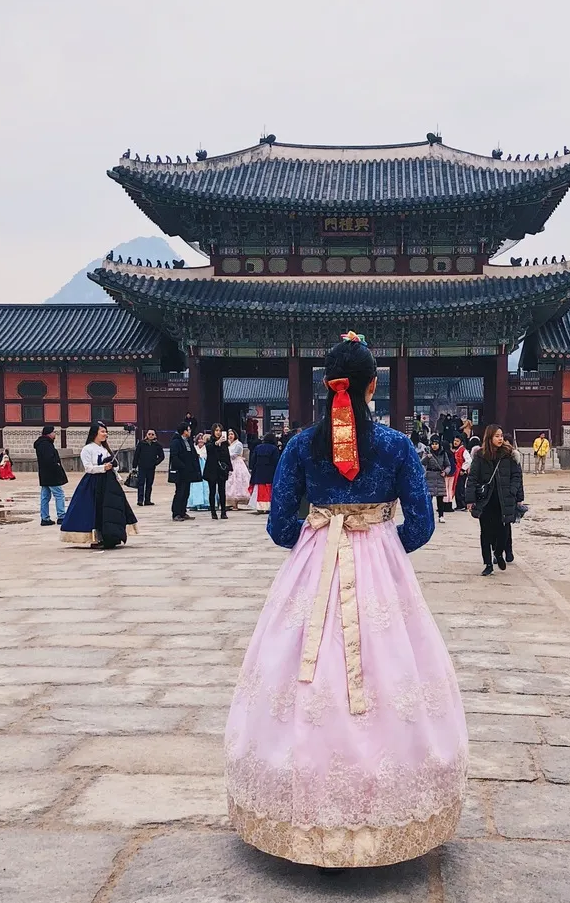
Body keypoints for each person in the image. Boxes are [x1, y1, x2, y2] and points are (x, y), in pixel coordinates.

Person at [224, 331, 467, 869]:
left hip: (315, 567)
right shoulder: (398, 445)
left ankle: (298, 805)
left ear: (325, 388)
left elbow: (280, 527)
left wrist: (319, 538)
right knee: (394, 675)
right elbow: (422, 524)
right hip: (380, 564)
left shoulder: (300, 446)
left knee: (303, 675)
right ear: (372, 386)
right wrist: (382, 549)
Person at [60, 424, 138, 548]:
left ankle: (112, 535)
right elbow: (88, 468)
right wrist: (102, 467)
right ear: (95, 433)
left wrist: (113, 466)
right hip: (94, 483)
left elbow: (114, 466)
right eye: (102, 431)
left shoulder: (105, 449)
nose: (105, 434)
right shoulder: (87, 449)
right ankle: (95, 537)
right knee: (95, 509)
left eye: (106, 432)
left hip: (108, 483)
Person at [466, 424, 522, 576]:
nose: (500, 438)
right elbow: (472, 478)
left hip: (504, 499)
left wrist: (515, 493)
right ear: (489, 437)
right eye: (497, 436)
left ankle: (498, 553)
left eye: (501, 436)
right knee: (486, 532)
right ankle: (488, 563)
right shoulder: (480, 455)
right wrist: (470, 500)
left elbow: (517, 476)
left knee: (503, 531)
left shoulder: (509, 454)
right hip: (485, 500)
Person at [34, 425, 68, 526]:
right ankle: (61, 516)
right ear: (49, 433)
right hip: (51, 475)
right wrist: (57, 466)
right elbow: (49, 460)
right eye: (54, 432)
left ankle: (45, 517)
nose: (55, 434)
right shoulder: (46, 445)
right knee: (59, 494)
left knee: (45, 496)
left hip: (44, 475)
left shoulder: (41, 444)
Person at [169, 421, 203, 521]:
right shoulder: (176, 442)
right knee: (180, 492)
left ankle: (183, 511)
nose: (190, 431)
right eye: (188, 429)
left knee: (186, 492)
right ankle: (176, 513)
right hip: (180, 472)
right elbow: (175, 457)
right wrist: (182, 466)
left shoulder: (188, 441)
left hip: (188, 472)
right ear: (184, 431)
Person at [502, 433, 525, 564]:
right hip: (497, 496)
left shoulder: (514, 459)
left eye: (507, 442)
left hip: (510, 497)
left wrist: (518, 497)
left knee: (506, 526)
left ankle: (508, 550)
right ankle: (497, 551)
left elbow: (518, 479)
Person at [422, 434, 451, 523]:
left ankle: (441, 515)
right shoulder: (427, 453)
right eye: (433, 444)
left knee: (440, 498)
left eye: (436, 444)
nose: (434, 446)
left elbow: (448, 465)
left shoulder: (443, 453)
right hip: (430, 476)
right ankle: (428, 516)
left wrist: (445, 472)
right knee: (428, 498)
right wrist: (427, 457)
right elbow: (421, 462)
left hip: (439, 476)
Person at [204, 424, 231, 519]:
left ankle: (223, 511)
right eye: (216, 430)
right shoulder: (210, 441)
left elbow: (226, 455)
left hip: (221, 470)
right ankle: (213, 511)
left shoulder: (224, 443)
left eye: (220, 430)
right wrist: (217, 443)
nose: (218, 432)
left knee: (222, 491)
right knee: (212, 491)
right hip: (212, 469)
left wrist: (229, 468)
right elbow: (209, 449)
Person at [248, 432, 280, 512]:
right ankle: (268, 507)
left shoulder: (258, 447)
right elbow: (276, 461)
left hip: (258, 471)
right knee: (268, 490)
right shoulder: (274, 448)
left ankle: (260, 507)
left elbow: (253, 459)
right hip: (270, 472)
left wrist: (252, 468)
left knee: (260, 491)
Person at [132, 429, 165, 507]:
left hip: (151, 467)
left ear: (155, 436)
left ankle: (147, 500)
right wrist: (134, 466)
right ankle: (140, 500)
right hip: (142, 467)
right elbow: (136, 455)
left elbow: (162, 456)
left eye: (152, 434)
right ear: (146, 435)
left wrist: (155, 462)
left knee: (149, 484)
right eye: (149, 434)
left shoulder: (157, 445)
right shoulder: (141, 444)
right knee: (141, 483)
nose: (151, 436)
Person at [225, 428, 251, 509]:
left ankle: (237, 503)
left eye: (232, 434)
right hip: (230, 463)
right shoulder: (229, 444)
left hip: (237, 463)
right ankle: (232, 503)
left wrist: (226, 455)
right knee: (230, 482)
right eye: (229, 435)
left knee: (238, 481)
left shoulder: (238, 444)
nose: (230, 436)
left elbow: (235, 454)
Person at [188, 433, 211, 511]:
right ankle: (194, 503)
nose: (200, 441)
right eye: (199, 439)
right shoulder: (194, 448)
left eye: (202, 439)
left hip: (205, 467)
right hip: (196, 468)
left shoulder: (207, 448)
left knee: (206, 485)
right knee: (195, 486)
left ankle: (206, 503)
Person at [452, 434, 470, 510]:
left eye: (457, 441)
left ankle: (463, 504)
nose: (455, 442)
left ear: (461, 442)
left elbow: (469, 461)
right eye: (455, 441)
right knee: (457, 488)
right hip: (456, 472)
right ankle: (459, 505)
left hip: (461, 472)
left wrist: (463, 469)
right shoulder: (456, 450)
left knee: (460, 488)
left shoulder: (463, 450)